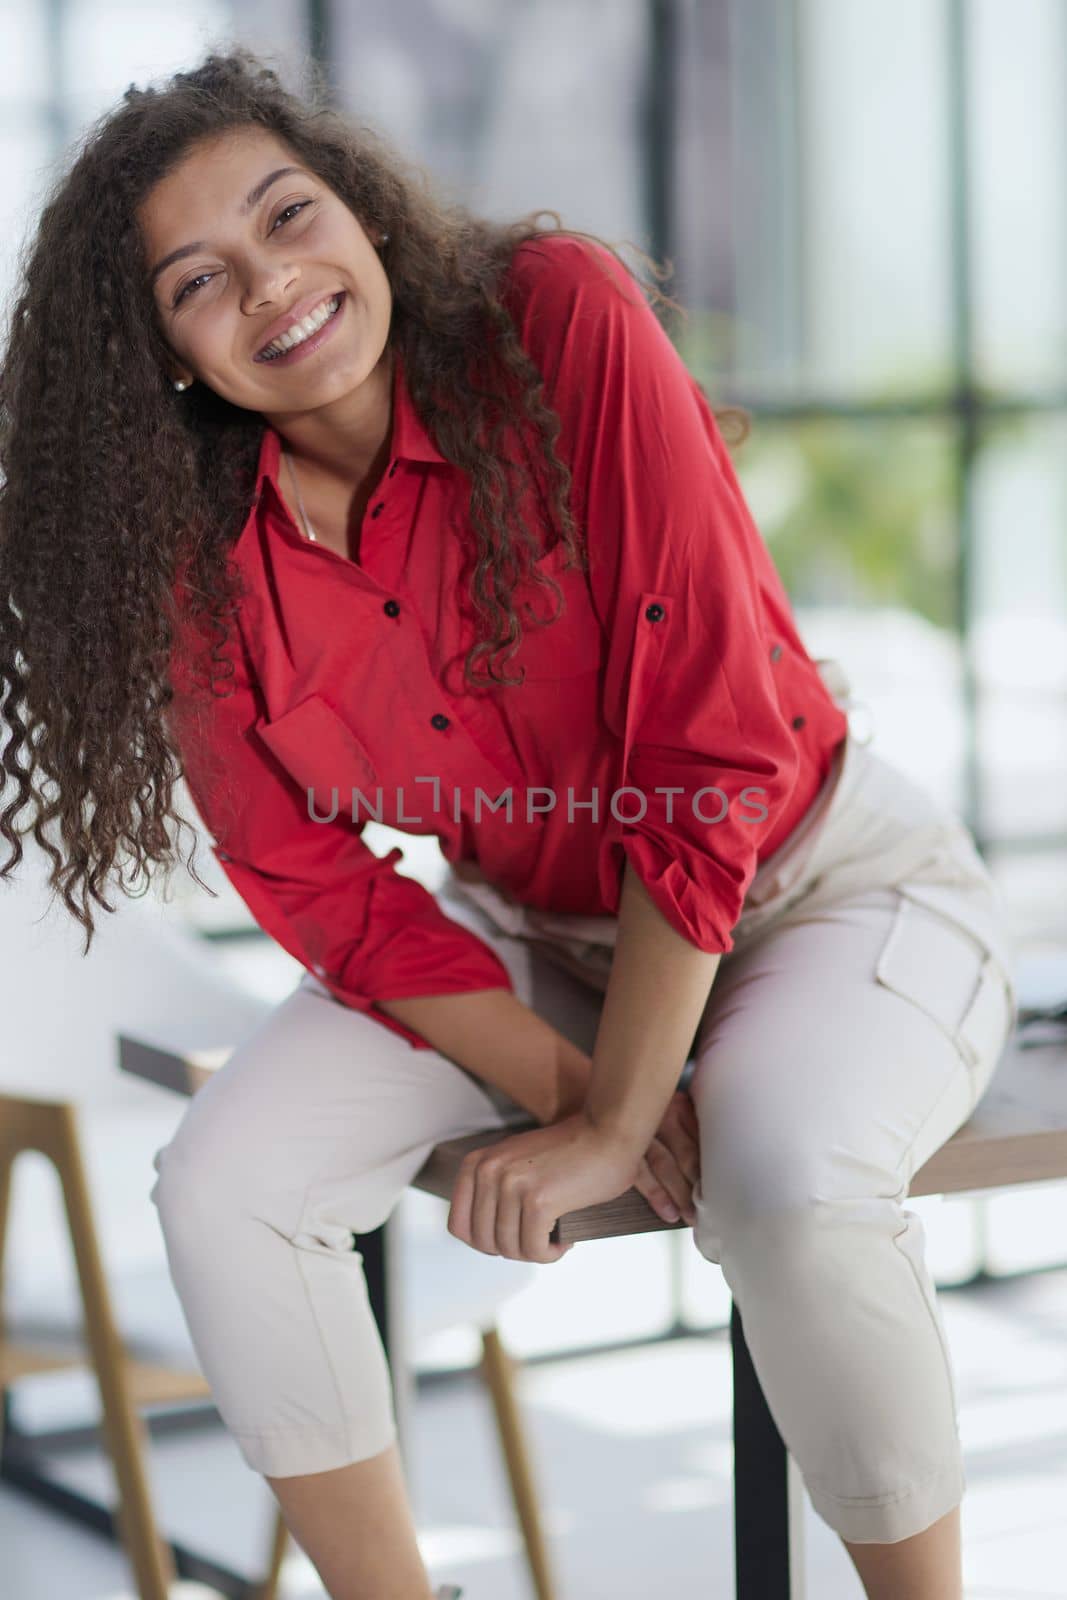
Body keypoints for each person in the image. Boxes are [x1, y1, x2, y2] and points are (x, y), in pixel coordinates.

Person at [0, 44, 1019, 1600]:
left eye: (290, 213)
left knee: (790, 1182)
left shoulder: (556, 318)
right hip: (537, 931)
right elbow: (316, 885)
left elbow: (705, 753)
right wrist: (566, 1081)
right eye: (200, 281)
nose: (276, 283)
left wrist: (620, 1120)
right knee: (226, 1182)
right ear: (169, 360)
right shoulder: (194, 557)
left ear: (362, 209)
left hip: (820, 885)